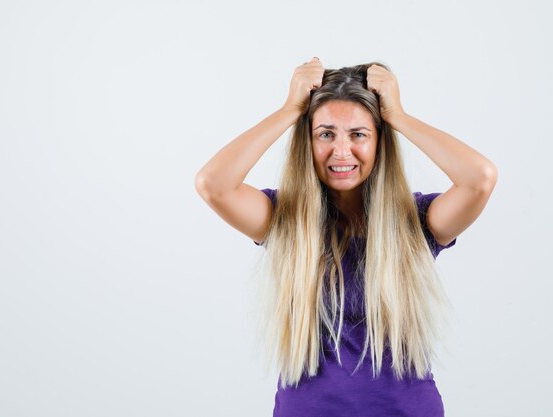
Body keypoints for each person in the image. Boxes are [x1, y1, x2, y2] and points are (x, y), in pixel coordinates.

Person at [194, 57, 498, 417]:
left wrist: (397, 116)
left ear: (378, 142)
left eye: (358, 134)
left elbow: (480, 178)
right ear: (307, 141)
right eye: (325, 133)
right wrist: (289, 109)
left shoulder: (415, 221)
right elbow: (212, 184)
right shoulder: (285, 218)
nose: (341, 151)